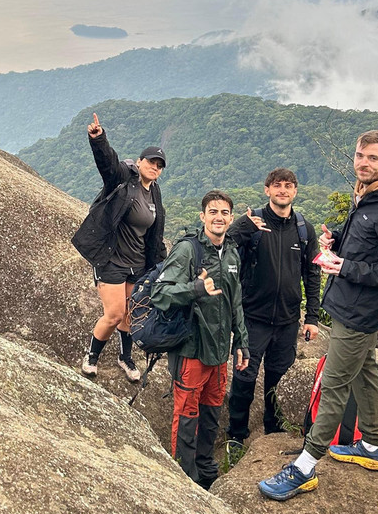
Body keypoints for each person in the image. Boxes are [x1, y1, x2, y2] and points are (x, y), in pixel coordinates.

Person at [258, 129, 378, 501]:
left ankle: (305, 467)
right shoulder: (369, 197)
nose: (364, 162)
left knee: (334, 385)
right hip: (347, 305)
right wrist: (337, 242)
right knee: (367, 373)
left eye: (373, 158)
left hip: (360, 311)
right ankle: (372, 447)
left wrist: (346, 267)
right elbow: (363, 244)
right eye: (360, 155)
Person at [151, 191, 249, 489]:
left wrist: (241, 341)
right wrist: (195, 288)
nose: (218, 217)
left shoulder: (231, 252)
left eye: (224, 212)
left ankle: (206, 468)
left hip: (219, 351)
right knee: (187, 413)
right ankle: (184, 475)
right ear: (203, 216)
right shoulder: (188, 250)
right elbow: (160, 293)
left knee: (211, 410)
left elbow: (235, 301)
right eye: (213, 211)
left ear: (231, 218)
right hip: (191, 347)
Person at [225, 169, 320, 457]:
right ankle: (236, 435)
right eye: (277, 186)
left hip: (288, 321)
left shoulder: (304, 229)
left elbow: (312, 273)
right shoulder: (253, 223)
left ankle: (274, 430)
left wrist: (312, 317)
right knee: (244, 378)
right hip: (252, 318)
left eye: (288, 186)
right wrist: (243, 226)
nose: (282, 190)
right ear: (267, 190)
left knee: (278, 380)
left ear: (295, 191)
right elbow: (221, 247)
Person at [71, 112, 167, 383]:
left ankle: (125, 357)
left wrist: (161, 265)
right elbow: (108, 165)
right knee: (113, 314)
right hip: (112, 260)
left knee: (129, 314)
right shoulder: (124, 179)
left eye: (159, 165)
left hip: (136, 264)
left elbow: (155, 234)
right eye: (151, 161)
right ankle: (91, 355)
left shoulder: (154, 193)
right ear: (140, 162)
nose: (155, 167)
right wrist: (98, 139)